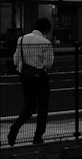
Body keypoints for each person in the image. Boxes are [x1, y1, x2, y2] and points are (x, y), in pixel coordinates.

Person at [8, 18, 55, 147]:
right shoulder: (46, 42)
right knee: (43, 107)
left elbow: (16, 59)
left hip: (26, 76)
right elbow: (49, 64)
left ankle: (16, 127)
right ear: (45, 29)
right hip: (41, 77)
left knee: (29, 106)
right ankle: (38, 136)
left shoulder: (22, 39)